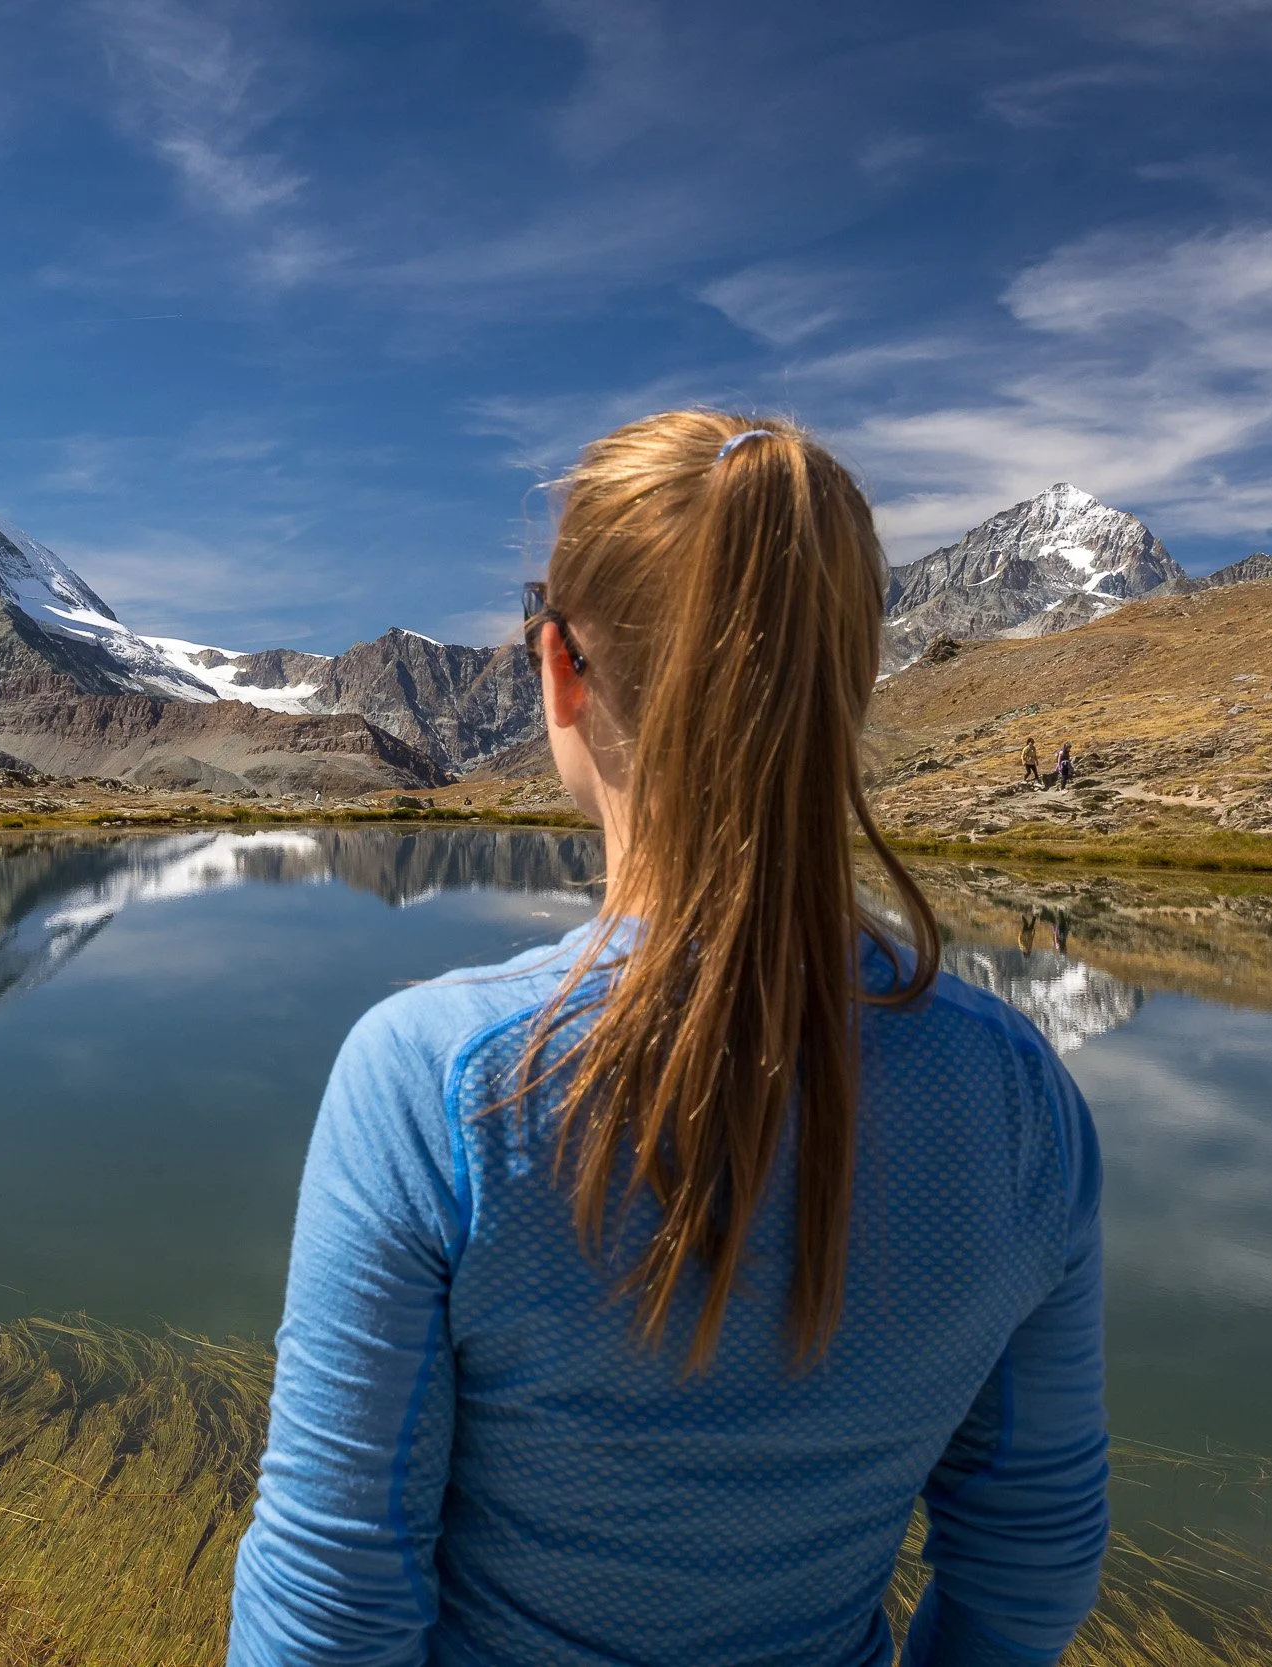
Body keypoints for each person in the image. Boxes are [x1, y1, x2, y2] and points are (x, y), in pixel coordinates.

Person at [229, 413, 1107, 1667]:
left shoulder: (438, 1084)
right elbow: (1031, 1560)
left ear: (559, 668)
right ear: (851, 681)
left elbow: (330, 1609)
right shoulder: (1020, 1100)